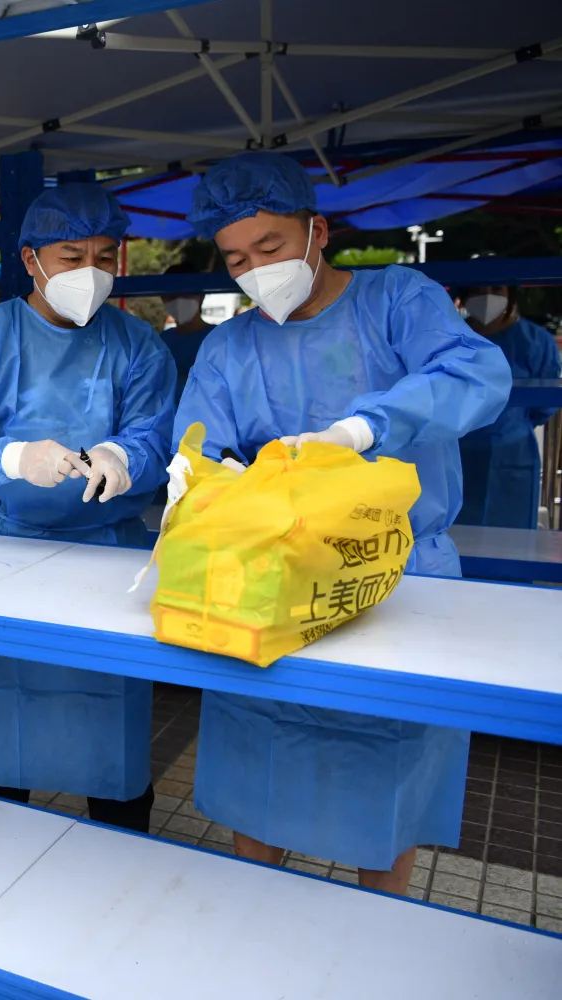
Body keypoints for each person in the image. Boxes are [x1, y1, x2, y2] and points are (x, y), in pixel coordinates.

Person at [175, 151, 510, 893]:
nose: (256, 270)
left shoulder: (397, 301)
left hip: (398, 575)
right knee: (262, 747)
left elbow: (477, 374)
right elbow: (198, 446)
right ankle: (257, 916)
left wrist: (363, 429)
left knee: (385, 754)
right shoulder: (231, 346)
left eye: (270, 248)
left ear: (316, 231)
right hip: (270, 575)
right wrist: (207, 482)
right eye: (236, 259)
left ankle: (379, 924)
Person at [0, 183, 176, 830]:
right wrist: (12, 460)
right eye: (70, 256)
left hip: (104, 554)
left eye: (104, 255)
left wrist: (122, 456)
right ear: (30, 261)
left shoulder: (139, 345)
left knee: (105, 721)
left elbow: (153, 432)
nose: (90, 272)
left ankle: (120, 862)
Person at [454, 285, 560, 528]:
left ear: (511, 294)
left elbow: (543, 404)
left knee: (512, 539)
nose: (488, 294)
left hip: (513, 454)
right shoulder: (448, 336)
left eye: (497, 288)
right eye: (480, 287)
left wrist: (512, 423)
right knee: (455, 537)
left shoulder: (535, 341)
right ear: (465, 295)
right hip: (453, 451)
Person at [157, 261, 216, 403]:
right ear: (163, 298)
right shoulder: (160, 342)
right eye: (171, 295)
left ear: (201, 296)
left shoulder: (218, 340)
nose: (178, 300)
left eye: (185, 294)